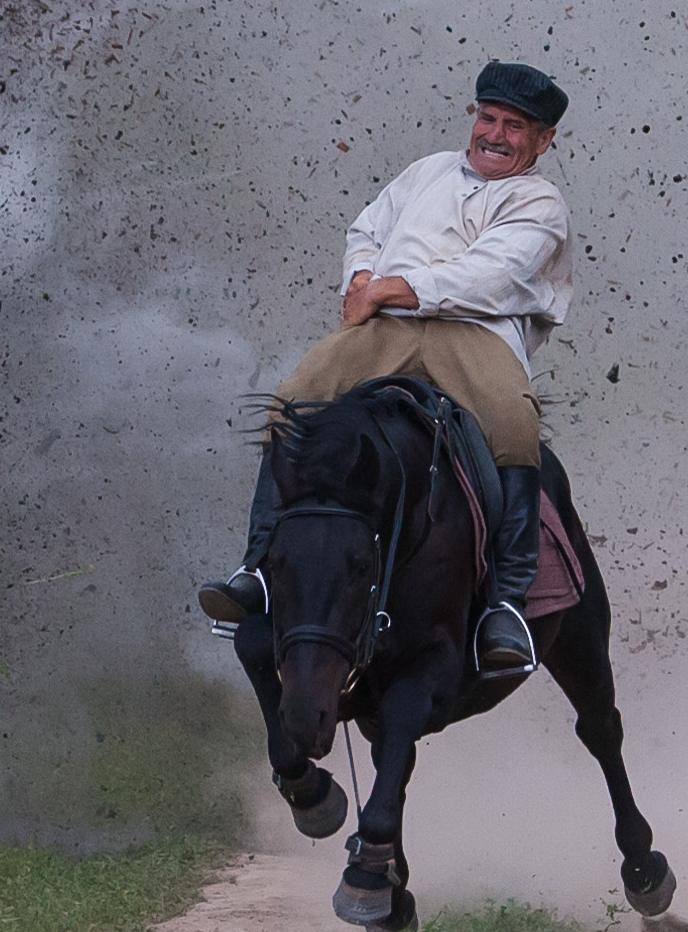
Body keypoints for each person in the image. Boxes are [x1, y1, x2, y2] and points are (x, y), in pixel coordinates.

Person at [198, 60, 575, 677]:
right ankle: (257, 569)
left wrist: (386, 290)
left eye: (515, 126)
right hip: (387, 326)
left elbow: (489, 279)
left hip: (474, 334)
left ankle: (505, 604)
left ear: (542, 140)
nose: (496, 134)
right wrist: (361, 278)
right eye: (488, 118)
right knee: (293, 403)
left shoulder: (540, 202)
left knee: (513, 425)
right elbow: (366, 227)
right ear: (473, 116)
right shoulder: (427, 171)